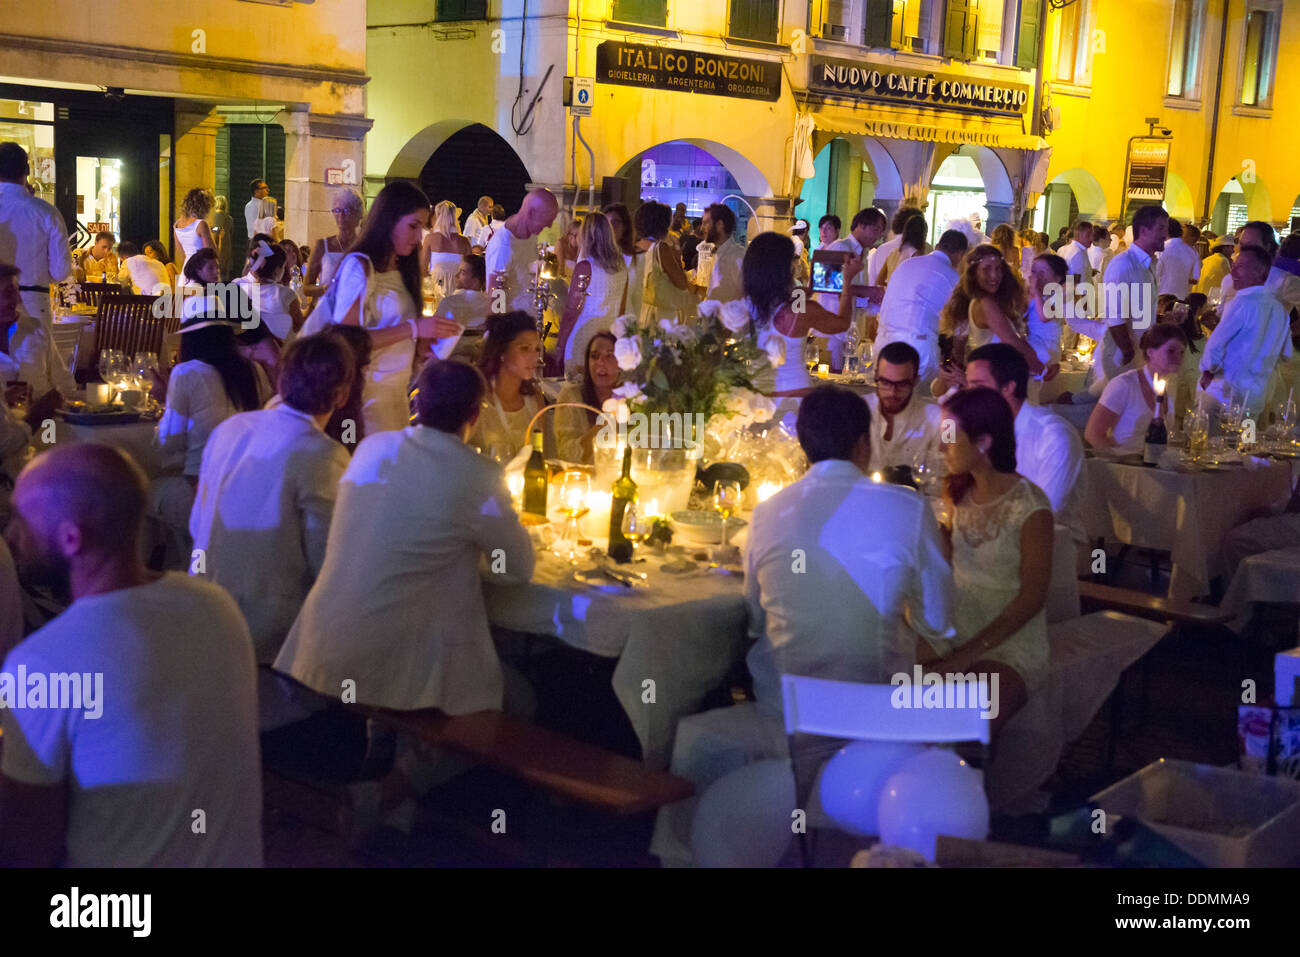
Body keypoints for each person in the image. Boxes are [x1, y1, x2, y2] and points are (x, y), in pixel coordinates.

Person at [651, 383, 955, 867]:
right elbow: (941, 622)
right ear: (864, 443)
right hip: (870, 709)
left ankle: (692, 855)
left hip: (781, 706)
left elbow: (754, 620)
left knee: (698, 734)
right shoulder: (909, 508)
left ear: (804, 445)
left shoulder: (769, 513)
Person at [273, 359, 535, 832]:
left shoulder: (373, 447)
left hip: (321, 640)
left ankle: (386, 781)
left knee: (433, 641)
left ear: (416, 403)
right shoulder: (477, 473)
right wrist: (468, 548)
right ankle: (390, 792)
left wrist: (451, 547)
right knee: (515, 701)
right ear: (475, 415)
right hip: (384, 656)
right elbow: (517, 568)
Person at [0, 444, 261, 866]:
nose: (10, 535)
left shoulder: (43, 663)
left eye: (21, 520)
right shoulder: (216, 606)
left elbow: (27, 851)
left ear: (71, 538)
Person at [191, 334, 353, 670]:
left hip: (203, 608)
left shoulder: (231, 428)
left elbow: (197, 522)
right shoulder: (322, 453)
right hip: (268, 639)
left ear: (280, 379)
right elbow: (329, 564)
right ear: (342, 395)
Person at [926, 386, 1053, 732]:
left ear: (983, 442)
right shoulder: (957, 494)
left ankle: (975, 781)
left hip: (1007, 641)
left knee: (968, 722)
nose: (941, 448)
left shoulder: (1030, 506)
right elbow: (948, 565)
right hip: (955, 627)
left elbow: (1032, 598)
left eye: (950, 437)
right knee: (887, 676)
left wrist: (964, 657)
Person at [320, 181, 460, 434]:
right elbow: (345, 340)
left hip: (398, 394)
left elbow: (396, 329)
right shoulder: (360, 266)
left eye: (423, 227)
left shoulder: (403, 269)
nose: (419, 237)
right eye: (413, 226)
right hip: (366, 398)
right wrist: (414, 328)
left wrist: (423, 345)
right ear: (389, 220)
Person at [151, 310, 272, 568]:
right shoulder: (253, 372)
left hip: (202, 490)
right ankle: (184, 564)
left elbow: (169, 443)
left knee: (141, 487)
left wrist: (165, 401)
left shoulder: (186, 373)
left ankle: (156, 571)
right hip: (247, 488)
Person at [965, 343, 1086, 547]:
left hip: (1052, 546)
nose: (968, 395)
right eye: (967, 385)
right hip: (986, 538)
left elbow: (1044, 512)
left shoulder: (1054, 437)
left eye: (977, 386)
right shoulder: (979, 429)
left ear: (1008, 388)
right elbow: (949, 474)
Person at [740, 232, 861, 397]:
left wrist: (806, 291)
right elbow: (842, 323)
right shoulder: (800, 310)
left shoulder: (742, 305)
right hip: (795, 396)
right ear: (785, 269)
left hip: (758, 398)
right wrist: (846, 282)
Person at [0, 142, 74, 396]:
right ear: (27, 170)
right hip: (34, 298)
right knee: (37, 374)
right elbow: (62, 271)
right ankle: (41, 431)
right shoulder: (45, 212)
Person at [1199, 244, 1292, 411]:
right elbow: (1285, 353)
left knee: (1212, 435)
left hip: (1223, 394)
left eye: (1240, 267)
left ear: (1260, 271)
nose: (1233, 272)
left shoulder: (1242, 302)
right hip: (1255, 397)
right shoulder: (1280, 310)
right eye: (1234, 266)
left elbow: (1216, 345)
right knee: (1246, 436)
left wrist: (1208, 371)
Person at [879, 228, 969, 385]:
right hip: (919, 349)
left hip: (883, 344)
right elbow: (961, 330)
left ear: (937, 246)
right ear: (960, 254)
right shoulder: (954, 278)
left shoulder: (907, 264)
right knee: (919, 403)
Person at [1091, 203, 1164, 383]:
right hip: (1122, 355)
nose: (1165, 234)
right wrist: (1128, 352)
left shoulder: (1149, 264)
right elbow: (1115, 316)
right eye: (1161, 228)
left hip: (1140, 352)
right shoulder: (1124, 263)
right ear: (1144, 231)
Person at [1086, 324, 1188, 453]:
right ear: (1151, 352)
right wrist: (1123, 461)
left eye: (1181, 352)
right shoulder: (1124, 385)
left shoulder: (1170, 385)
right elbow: (1093, 434)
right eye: (1171, 351)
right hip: (1126, 466)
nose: (1178, 357)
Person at [470, 310, 550, 460]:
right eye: (525, 348)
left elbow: (540, 457)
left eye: (537, 349)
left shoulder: (534, 399)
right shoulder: (478, 398)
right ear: (502, 351)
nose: (534, 357)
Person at [556, 212, 628, 376]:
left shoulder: (585, 267)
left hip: (583, 337)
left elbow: (572, 310)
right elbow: (621, 308)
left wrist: (561, 344)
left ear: (586, 235)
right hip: (608, 336)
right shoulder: (622, 266)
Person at [864, 340, 942, 471]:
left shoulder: (942, 418)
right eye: (885, 383)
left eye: (902, 384)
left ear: (916, 381)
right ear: (876, 376)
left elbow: (946, 471)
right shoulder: (856, 410)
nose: (892, 392)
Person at [486, 189, 559, 313]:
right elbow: (495, 296)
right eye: (548, 219)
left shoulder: (530, 234)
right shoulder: (503, 246)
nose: (550, 225)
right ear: (531, 213)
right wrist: (500, 327)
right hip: (512, 324)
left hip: (527, 320)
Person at [555, 331, 618, 463]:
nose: (601, 362)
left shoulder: (633, 401)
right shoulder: (571, 397)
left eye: (610, 356)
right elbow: (566, 454)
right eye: (594, 356)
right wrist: (598, 431)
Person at [635, 200, 697, 324]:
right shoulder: (660, 247)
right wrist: (677, 252)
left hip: (642, 311)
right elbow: (681, 282)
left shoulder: (637, 246)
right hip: (662, 316)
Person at [304, 187, 363, 312]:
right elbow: (306, 288)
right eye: (337, 210)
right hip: (327, 312)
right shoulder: (322, 245)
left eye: (346, 210)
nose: (341, 216)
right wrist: (325, 289)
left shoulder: (364, 246)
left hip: (355, 313)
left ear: (358, 214)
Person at [233, 239, 302, 341]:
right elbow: (298, 324)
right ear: (278, 269)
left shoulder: (240, 290)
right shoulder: (286, 293)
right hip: (279, 350)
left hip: (249, 348)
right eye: (283, 267)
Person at [421, 199, 471, 298]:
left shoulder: (430, 239)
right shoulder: (464, 241)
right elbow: (471, 270)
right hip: (459, 290)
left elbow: (423, 270)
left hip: (437, 289)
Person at [433, 253, 491, 332]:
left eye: (462, 273)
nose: (456, 276)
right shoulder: (491, 306)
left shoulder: (449, 303)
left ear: (475, 282)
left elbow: (432, 332)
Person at [603, 201, 642, 319]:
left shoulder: (637, 258)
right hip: (598, 321)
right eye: (607, 222)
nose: (610, 227)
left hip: (624, 320)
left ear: (625, 227)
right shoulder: (595, 255)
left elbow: (637, 296)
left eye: (615, 222)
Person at [699, 203, 743, 304]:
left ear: (719, 225)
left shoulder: (737, 256)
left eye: (706, 223)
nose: (702, 228)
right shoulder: (716, 253)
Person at [876, 212, 928, 285]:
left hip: (891, 295)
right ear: (923, 235)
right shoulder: (918, 256)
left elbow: (879, 281)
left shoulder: (893, 253)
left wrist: (889, 288)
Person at [1156, 218, 1201, 300]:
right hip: (1182, 298)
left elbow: (1154, 275)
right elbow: (1196, 277)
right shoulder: (1192, 251)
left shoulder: (1160, 249)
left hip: (1162, 298)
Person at [174, 187, 215, 270]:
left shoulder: (177, 224)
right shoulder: (201, 224)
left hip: (187, 269)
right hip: (201, 270)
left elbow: (181, 255)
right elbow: (212, 254)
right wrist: (217, 236)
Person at [1060, 221, 1094, 286]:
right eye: (1088, 235)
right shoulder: (1077, 254)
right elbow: (1077, 284)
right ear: (1078, 234)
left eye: (1092, 235)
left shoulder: (1078, 249)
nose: (1091, 238)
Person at [211, 195, 235, 280]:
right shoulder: (230, 218)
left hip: (219, 244)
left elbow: (217, 228)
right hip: (227, 245)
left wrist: (210, 228)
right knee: (225, 273)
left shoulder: (217, 215)